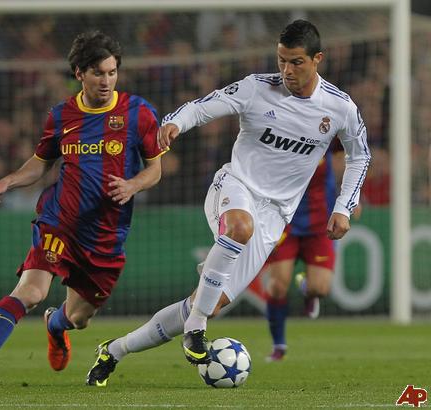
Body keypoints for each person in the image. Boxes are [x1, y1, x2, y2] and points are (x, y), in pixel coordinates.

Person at [86, 19, 370, 387]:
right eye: (282, 60)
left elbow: (360, 156)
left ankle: (115, 350)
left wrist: (344, 206)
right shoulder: (257, 88)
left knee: (206, 302)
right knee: (239, 228)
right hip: (234, 186)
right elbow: (204, 106)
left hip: (275, 217)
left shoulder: (339, 107)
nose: (287, 70)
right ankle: (196, 329)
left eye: (297, 62)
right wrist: (175, 123)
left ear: (318, 59)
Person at [0, 30, 165, 385]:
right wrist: (8, 181)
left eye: (112, 72)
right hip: (61, 221)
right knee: (30, 292)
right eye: (98, 73)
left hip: (105, 234)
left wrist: (133, 184)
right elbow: (41, 163)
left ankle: (55, 325)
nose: (106, 81)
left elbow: (155, 170)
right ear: (79, 73)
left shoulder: (138, 113)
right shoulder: (62, 115)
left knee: (80, 319)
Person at [262, 149, 338, 362]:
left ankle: (307, 288)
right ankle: (278, 345)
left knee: (320, 288)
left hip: (320, 223)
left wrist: (351, 198)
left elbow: (350, 158)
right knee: (278, 286)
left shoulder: (327, 136)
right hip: (285, 222)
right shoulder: (280, 138)